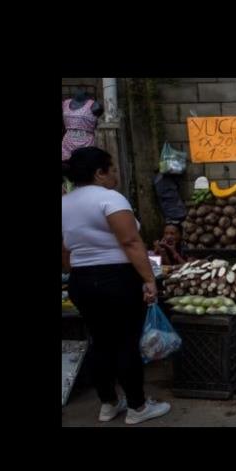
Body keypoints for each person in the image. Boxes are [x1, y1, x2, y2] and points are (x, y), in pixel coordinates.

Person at [62, 146, 171, 425]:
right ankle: (137, 407)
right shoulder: (111, 199)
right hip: (117, 279)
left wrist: (78, 272)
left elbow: (64, 250)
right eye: (111, 169)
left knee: (100, 342)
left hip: (81, 280)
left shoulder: (65, 203)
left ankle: (108, 404)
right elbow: (132, 242)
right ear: (99, 173)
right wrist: (148, 279)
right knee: (125, 343)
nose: (115, 175)